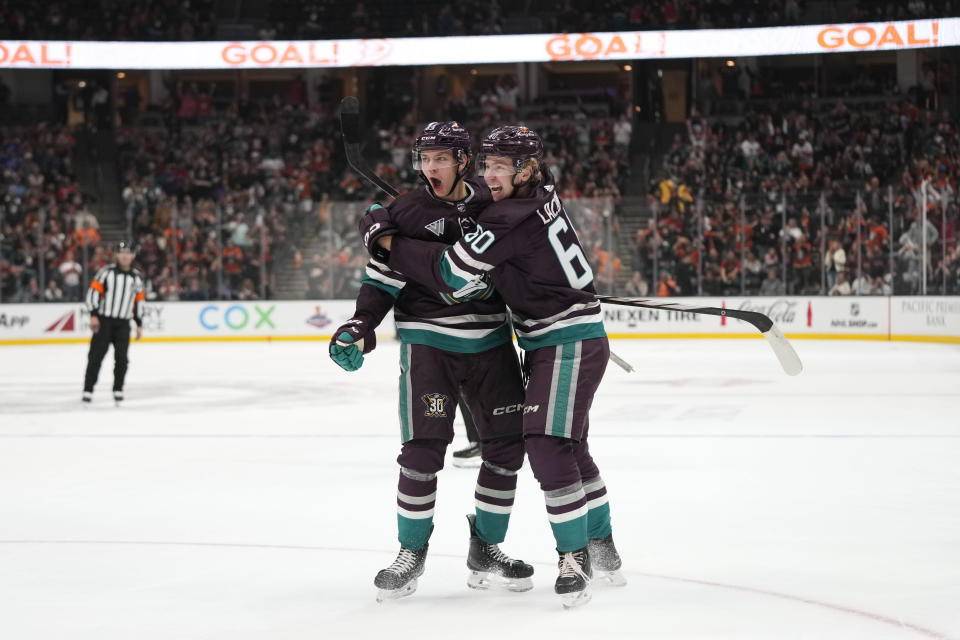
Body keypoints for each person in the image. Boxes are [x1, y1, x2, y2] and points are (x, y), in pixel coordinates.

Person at [366, 125, 625, 608]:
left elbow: (449, 273)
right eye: (487, 166)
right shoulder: (539, 192)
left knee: (545, 444)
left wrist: (385, 241)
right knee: (570, 445)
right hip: (556, 334)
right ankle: (601, 545)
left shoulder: (507, 215)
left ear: (525, 169)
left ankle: (576, 558)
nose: (489, 176)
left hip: (563, 339)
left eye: (499, 167)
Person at [330, 122, 533, 602]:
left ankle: (487, 547)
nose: (430, 168)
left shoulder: (494, 199)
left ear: (464, 160)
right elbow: (381, 281)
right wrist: (361, 325)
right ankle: (410, 552)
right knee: (422, 453)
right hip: (430, 348)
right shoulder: (405, 211)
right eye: (424, 159)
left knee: (505, 451)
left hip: (492, 344)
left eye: (441, 158)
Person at [83, 242, 145, 405]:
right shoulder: (106, 273)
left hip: (123, 324)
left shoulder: (136, 277)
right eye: (121, 252)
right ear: (117, 255)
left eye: (128, 253)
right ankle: (88, 389)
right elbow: (93, 294)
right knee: (95, 357)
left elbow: (139, 301)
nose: (125, 256)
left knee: (122, 359)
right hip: (104, 322)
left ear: (132, 256)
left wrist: (139, 323)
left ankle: (118, 389)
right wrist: (94, 315)